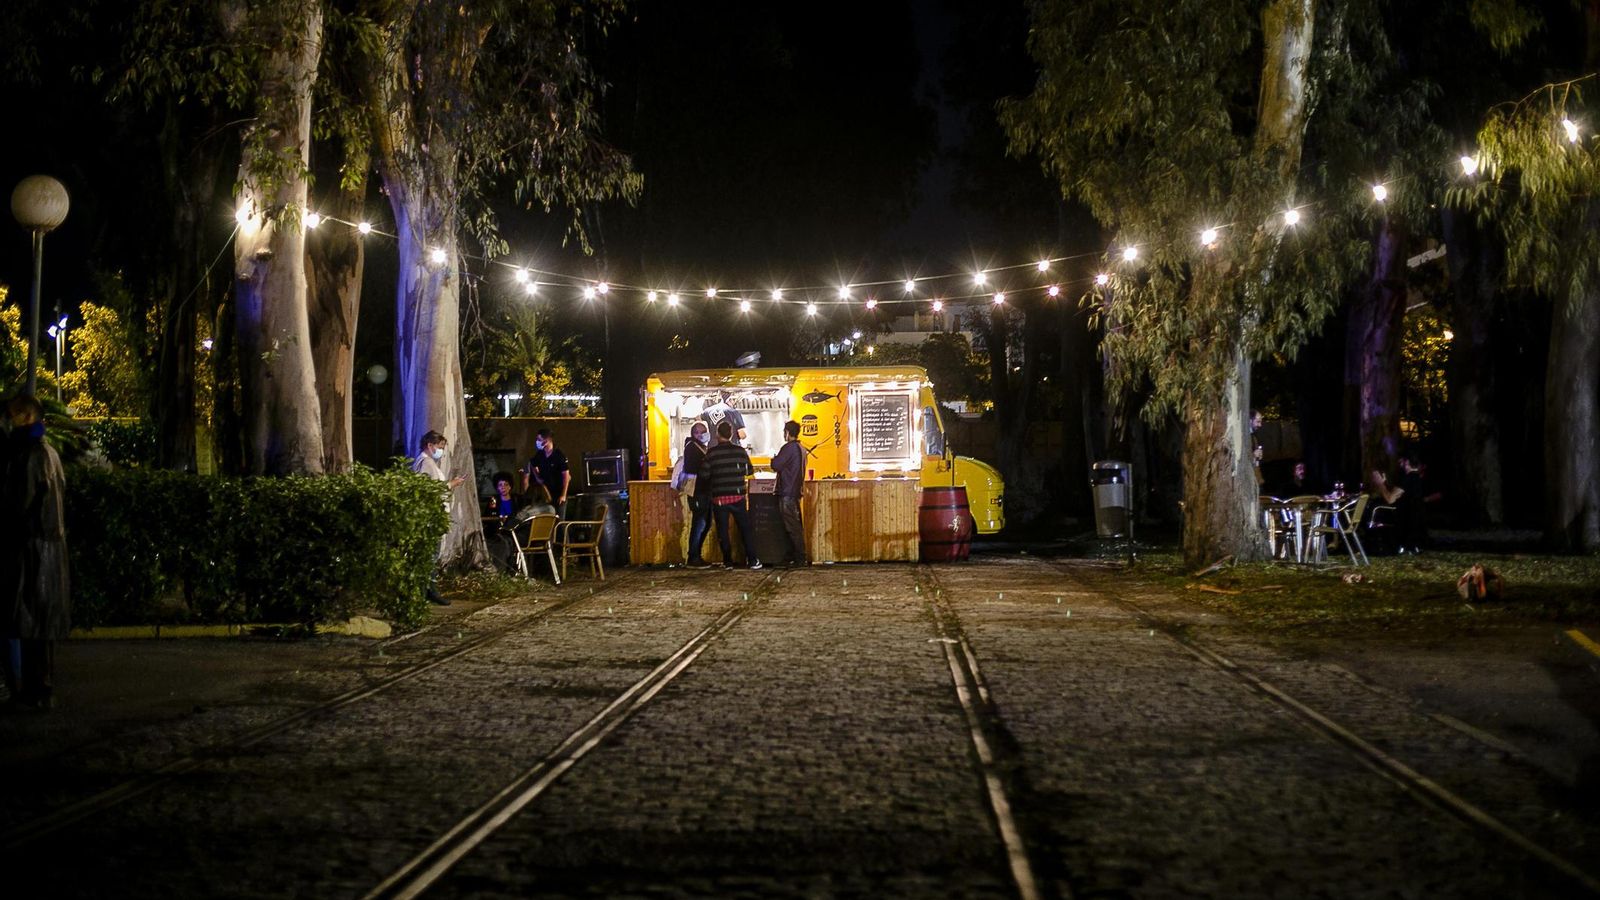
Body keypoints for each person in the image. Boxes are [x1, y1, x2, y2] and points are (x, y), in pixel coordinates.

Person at [2, 394, 70, 710]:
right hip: (51, 548)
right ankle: (42, 689)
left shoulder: (29, 456)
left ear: (27, 417)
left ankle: (34, 692)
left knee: (30, 622)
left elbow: (20, 504)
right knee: (42, 627)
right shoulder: (51, 454)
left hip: (32, 548)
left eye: (14, 415)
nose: (9, 421)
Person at [413, 429, 466, 605]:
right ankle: (428, 590)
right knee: (431, 554)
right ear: (430, 445)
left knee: (431, 554)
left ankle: (428, 590)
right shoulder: (426, 463)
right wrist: (452, 484)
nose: (441, 451)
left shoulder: (426, 462)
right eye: (440, 446)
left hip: (433, 515)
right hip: (431, 516)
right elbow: (432, 490)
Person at [703, 421, 762, 569]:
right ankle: (753, 560)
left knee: (723, 531)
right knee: (745, 529)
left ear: (717, 434)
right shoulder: (740, 451)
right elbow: (749, 471)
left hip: (719, 498)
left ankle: (728, 562)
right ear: (731, 434)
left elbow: (704, 475)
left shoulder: (711, 453)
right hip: (738, 497)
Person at [1371, 453, 1434, 554]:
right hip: (1414, 522)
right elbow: (1399, 495)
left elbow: (1390, 499)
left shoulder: (1407, 479)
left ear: (1407, 462)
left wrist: (1380, 484)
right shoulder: (1418, 478)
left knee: (1372, 509)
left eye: (1402, 461)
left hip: (1403, 520)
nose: (1399, 464)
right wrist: (1385, 484)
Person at [770, 420, 807, 567]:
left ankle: (798, 557)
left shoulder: (789, 448)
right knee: (795, 525)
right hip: (796, 491)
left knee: (792, 526)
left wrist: (773, 459)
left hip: (787, 492)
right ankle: (795, 556)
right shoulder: (801, 448)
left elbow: (776, 465)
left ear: (787, 432)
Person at [681, 422, 713, 568]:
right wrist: (706, 465)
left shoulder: (700, 447)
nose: (702, 434)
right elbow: (691, 468)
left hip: (704, 491)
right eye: (699, 432)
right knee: (699, 523)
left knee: (704, 522)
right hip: (698, 492)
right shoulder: (692, 448)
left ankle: (696, 555)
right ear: (694, 434)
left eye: (704, 431)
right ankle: (693, 556)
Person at [521, 428, 570, 512]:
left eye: (539, 439)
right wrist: (537, 478)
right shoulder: (540, 454)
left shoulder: (559, 455)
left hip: (558, 493)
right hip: (546, 494)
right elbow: (533, 463)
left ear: (547, 440)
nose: (537, 441)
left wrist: (563, 495)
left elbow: (566, 476)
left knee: (558, 520)